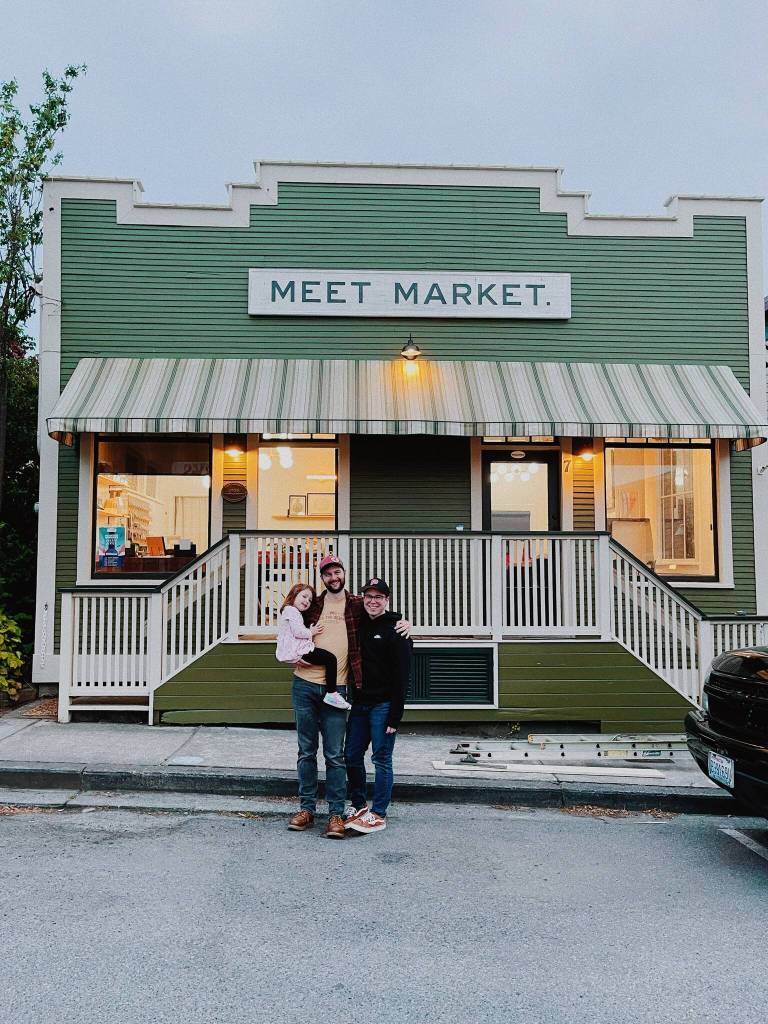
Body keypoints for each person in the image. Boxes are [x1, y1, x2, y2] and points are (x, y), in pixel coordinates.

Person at [286, 554, 410, 839]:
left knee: (336, 754)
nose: (333, 578)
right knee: (306, 751)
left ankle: (336, 814)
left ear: (344, 573)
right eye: (327, 574)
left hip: (337, 690)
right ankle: (306, 809)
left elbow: (384, 615)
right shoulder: (310, 604)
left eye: (337, 572)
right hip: (304, 686)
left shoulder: (356, 604)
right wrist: (290, 655)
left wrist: (406, 623)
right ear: (322, 578)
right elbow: (286, 622)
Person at [344, 577, 413, 835]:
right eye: (369, 596)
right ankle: (359, 805)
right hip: (360, 703)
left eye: (379, 597)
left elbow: (403, 677)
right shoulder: (357, 623)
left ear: (386, 600)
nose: (373, 601)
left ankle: (379, 813)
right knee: (351, 755)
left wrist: (395, 717)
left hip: (383, 706)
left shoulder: (397, 630)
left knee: (381, 758)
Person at [276, 583, 351, 711]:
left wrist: (307, 630)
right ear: (294, 595)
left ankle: (331, 693)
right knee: (330, 659)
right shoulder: (291, 611)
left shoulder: (293, 612)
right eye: (304, 596)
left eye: (310, 600)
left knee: (328, 659)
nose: (307, 601)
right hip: (300, 650)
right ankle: (332, 694)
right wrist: (312, 631)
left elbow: (297, 630)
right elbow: (297, 632)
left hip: (298, 649)